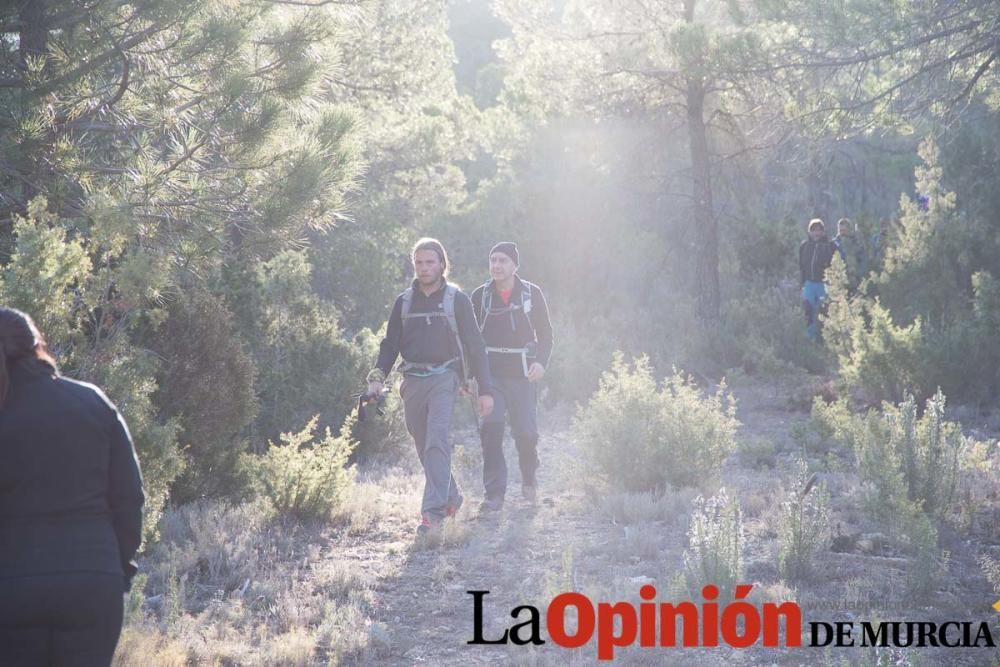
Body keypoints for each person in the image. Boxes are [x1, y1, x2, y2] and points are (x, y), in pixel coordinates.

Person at [0, 307, 144, 666]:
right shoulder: (92, 402)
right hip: (92, 582)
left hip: (12, 591)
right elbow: (129, 499)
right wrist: (116, 568)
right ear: (38, 346)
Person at [366, 238, 494, 535]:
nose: (424, 268)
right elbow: (390, 345)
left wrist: (484, 388)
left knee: (437, 438)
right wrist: (376, 379)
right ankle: (451, 496)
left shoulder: (456, 299)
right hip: (412, 380)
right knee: (424, 443)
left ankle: (432, 515)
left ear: (442, 264)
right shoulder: (404, 302)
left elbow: (476, 345)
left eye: (430, 262)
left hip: (445, 377)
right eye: (419, 263)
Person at [471, 242, 553, 511]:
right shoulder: (480, 296)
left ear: (515, 265)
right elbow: (469, 339)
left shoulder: (532, 294)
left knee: (526, 434)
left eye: (502, 260)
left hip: (523, 375)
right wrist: (469, 374)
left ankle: (529, 479)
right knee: (491, 430)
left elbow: (546, 334)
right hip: (490, 375)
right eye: (493, 260)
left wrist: (540, 363)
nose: (496, 265)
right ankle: (494, 495)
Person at [799, 218, 837, 340]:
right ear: (809, 231)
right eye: (814, 230)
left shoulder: (829, 246)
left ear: (823, 231)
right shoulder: (804, 246)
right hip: (809, 283)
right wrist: (803, 283)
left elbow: (836, 265)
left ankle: (825, 339)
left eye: (819, 230)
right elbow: (801, 265)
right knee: (808, 310)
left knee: (823, 311)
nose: (816, 233)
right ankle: (810, 338)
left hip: (823, 284)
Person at [833, 217, 868, 293]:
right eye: (840, 230)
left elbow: (863, 259)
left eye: (844, 230)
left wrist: (861, 274)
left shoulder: (857, 243)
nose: (842, 233)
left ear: (849, 229)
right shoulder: (835, 243)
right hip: (840, 279)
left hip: (856, 278)